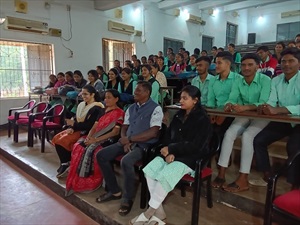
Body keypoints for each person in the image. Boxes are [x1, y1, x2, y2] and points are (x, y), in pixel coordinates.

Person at [129, 85, 212, 225]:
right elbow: (167, 136)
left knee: (165, 175)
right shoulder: (179, 115)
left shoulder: (202, 119)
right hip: (172, 153)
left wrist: (173, 150)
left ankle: (149, 212)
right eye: (181, 98)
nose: (181, 101)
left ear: (195, 100)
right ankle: (159, 213)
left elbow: (196, 145)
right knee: (150, 170)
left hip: (190, 157)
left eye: (185, 98)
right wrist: (168, 150)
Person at [95, 81, 163, 217]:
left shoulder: (156, 109)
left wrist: (130, 139)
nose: (135, 93)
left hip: (144, 145)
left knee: (126, 161)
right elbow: (125, 126)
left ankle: (127, 199)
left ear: (147, 93)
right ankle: (114, 191)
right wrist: (125, 139)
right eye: (135, 90)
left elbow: (153, 132)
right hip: (127, 141)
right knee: (101, 155)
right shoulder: (131, 107)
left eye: (138, 91)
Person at [212, 53, 271, 191]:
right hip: (244, 113)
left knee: (247, 136)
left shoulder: (265, 80)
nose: (246, 67)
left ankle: (243, 178)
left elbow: (264, 102)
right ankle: (221, 174)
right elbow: (232, 97)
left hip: (261, 115)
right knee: (229, 133)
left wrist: (246, 107)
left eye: (250, 64)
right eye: (244, 65)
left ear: (258, 66)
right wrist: (229, 104)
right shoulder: (239, 81)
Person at [250, 47, 300, 189]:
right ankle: (268, 174)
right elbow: (272, 101)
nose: (286, 64)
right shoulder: (276, 80)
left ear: (299, 63)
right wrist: (265, 107)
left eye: (291, 61)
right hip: (284, 121)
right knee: (259, 140)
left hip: (298, 123)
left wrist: (278, 110)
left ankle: (294, 185)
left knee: (294, 147)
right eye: (283, 61)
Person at [65, 89, 125, 195]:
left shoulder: (120, 113)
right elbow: (94, 127)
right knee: (78, 146)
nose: (106, 100)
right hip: (95, 136)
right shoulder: (103, 110)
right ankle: (78, 178)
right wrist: (89, 138)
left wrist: (95, 140)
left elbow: (115, 132)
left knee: (94, 151)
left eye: (109, 97)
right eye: (105, 97)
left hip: (108, 140)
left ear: (116, 99)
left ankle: (93, 181)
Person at [52, 85, 105, 177]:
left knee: (62, 140)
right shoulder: (82, 104)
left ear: (92, 95)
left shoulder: (97, 107)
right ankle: (65, 162)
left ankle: (66, 163)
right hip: (77, 128)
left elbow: (89, 125)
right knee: (56, 138)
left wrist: (74, 125)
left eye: (86, 94)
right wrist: (72, 127)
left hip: (85, 131)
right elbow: (77, 119)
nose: (83, 96)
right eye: (82, 94)